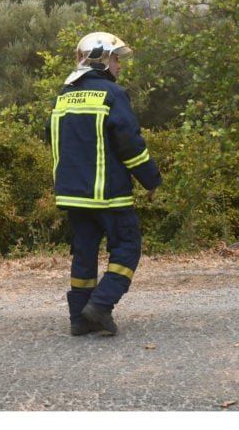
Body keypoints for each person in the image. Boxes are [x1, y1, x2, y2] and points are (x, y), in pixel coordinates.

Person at [46, 32, 162, 336]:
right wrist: (150, 179)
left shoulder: (63, 95)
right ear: (100, 58)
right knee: (127, 247)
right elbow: (130, 143)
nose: (119, 65)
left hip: (73, 195)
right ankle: (100, 305)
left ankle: (79, 318)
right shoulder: (112, 94)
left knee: (84, 253)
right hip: (108, 194)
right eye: (115, 58)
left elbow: (54, 138)